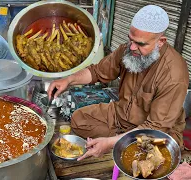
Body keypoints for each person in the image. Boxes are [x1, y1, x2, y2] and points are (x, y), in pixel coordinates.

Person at [47, 5, 189, 160]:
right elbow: (97, 72)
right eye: (131, 39)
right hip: (120, 116)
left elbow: (155, 127)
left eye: (140, 44)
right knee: (79, 119)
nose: (133, 47)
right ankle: (122, 141)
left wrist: (109, 142)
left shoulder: (174, 73)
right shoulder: (127, 50)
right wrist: (68, 80)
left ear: (160, 42)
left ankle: (119, 142)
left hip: (155, 131)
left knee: (151, 156)